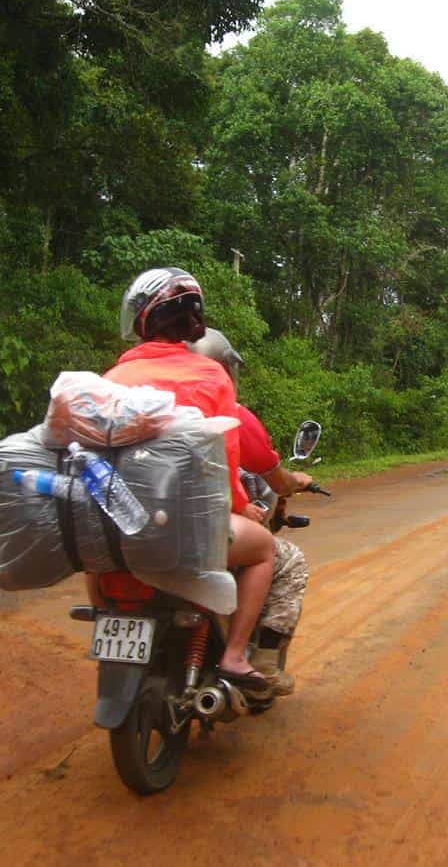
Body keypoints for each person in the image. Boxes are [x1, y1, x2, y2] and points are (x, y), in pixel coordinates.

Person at [92, 267, 275, 698]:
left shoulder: (111, 378)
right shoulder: (211, 377)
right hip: (189, 526)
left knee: (96, 542)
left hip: (124, 520)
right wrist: (238, 506)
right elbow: (224, 458)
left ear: (141, 321)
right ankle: (233, 655)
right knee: (264, 550)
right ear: (193, 321)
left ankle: (108, 620)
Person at [188, 327, 313, 696]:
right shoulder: (231, 413)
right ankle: (249, 659)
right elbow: (275, 477)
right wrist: (296, 480)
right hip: (207, 528)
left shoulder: (149, 405)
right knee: (286, 561)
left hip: (142, 527)